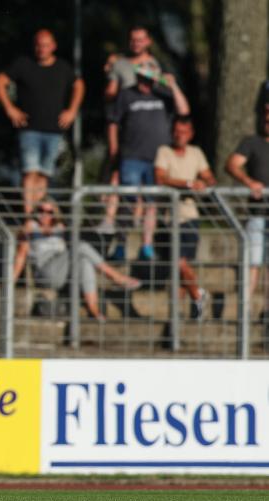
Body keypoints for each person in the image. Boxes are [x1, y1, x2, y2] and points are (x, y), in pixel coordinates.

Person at [0, 29, 84, 214]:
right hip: (29, 129)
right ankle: (28, 215)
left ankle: (38, 214)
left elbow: (79, 85)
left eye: (46, 45)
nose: (42, 49)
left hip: (54, 129)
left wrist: (72, 111)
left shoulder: (63, 67)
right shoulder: (23, 64)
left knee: (44, 174)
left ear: (53, 46)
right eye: (39, 45)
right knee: (30, 172)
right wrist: (10, 108)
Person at [108, 66, 189, 260]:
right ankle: (121, 244)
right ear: (136, 77)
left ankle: (147, 245)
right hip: (131, 156)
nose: (146, 84)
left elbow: (184, 110)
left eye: (150, 79)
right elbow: (113, 123)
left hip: (157, 159)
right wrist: (114, 151)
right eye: (143, 79)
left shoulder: (164, 94)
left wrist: (172, 85)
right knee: (128, 202)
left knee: (152, 203)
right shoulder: (126, 95)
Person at [13, 200, 140, 322]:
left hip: (61, 273)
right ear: (35, 211)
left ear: (55, 213)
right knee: (81, 246)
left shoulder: (60, 227)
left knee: (84, 260)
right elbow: (21, 256)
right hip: (44, 273)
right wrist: (11, 281)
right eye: (41, 210)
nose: (45, 214)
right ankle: (115, 276)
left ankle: (94, 310)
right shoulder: (30, 227)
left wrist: (53, 231)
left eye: (49, 211)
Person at [153, 116, 215, 320]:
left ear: (191, 134)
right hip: (170, 218)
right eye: (177, 131)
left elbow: (209, 177)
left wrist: (204, 183)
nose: (180, 135)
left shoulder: (196, 153)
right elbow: (160, 178)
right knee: (177, 266)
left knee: (179, 264)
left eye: (184, 131)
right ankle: (195, 298)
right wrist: (189, 184)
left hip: (189, 217)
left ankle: (193, 301)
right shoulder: (164, 151)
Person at [226, 104, 269, 311]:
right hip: (258, 214)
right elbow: (232, 164)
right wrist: (249, 182)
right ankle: (244, 308)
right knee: (253, 262)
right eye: (266, 113)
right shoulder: (252, 142)